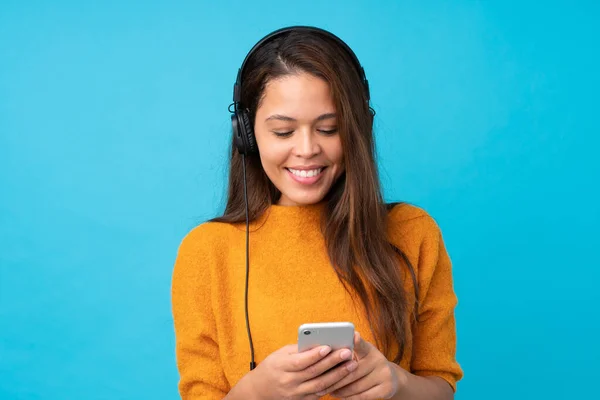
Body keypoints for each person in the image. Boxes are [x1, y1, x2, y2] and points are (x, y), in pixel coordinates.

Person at [171, 26, 463, 400]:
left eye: (329, 128)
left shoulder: (413, 231)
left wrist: (396, 383)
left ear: (358, 128)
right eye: (283, 132)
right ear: (246, 133)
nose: (307, 149)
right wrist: (257, 392)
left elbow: (441, 385)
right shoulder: (206, 253)